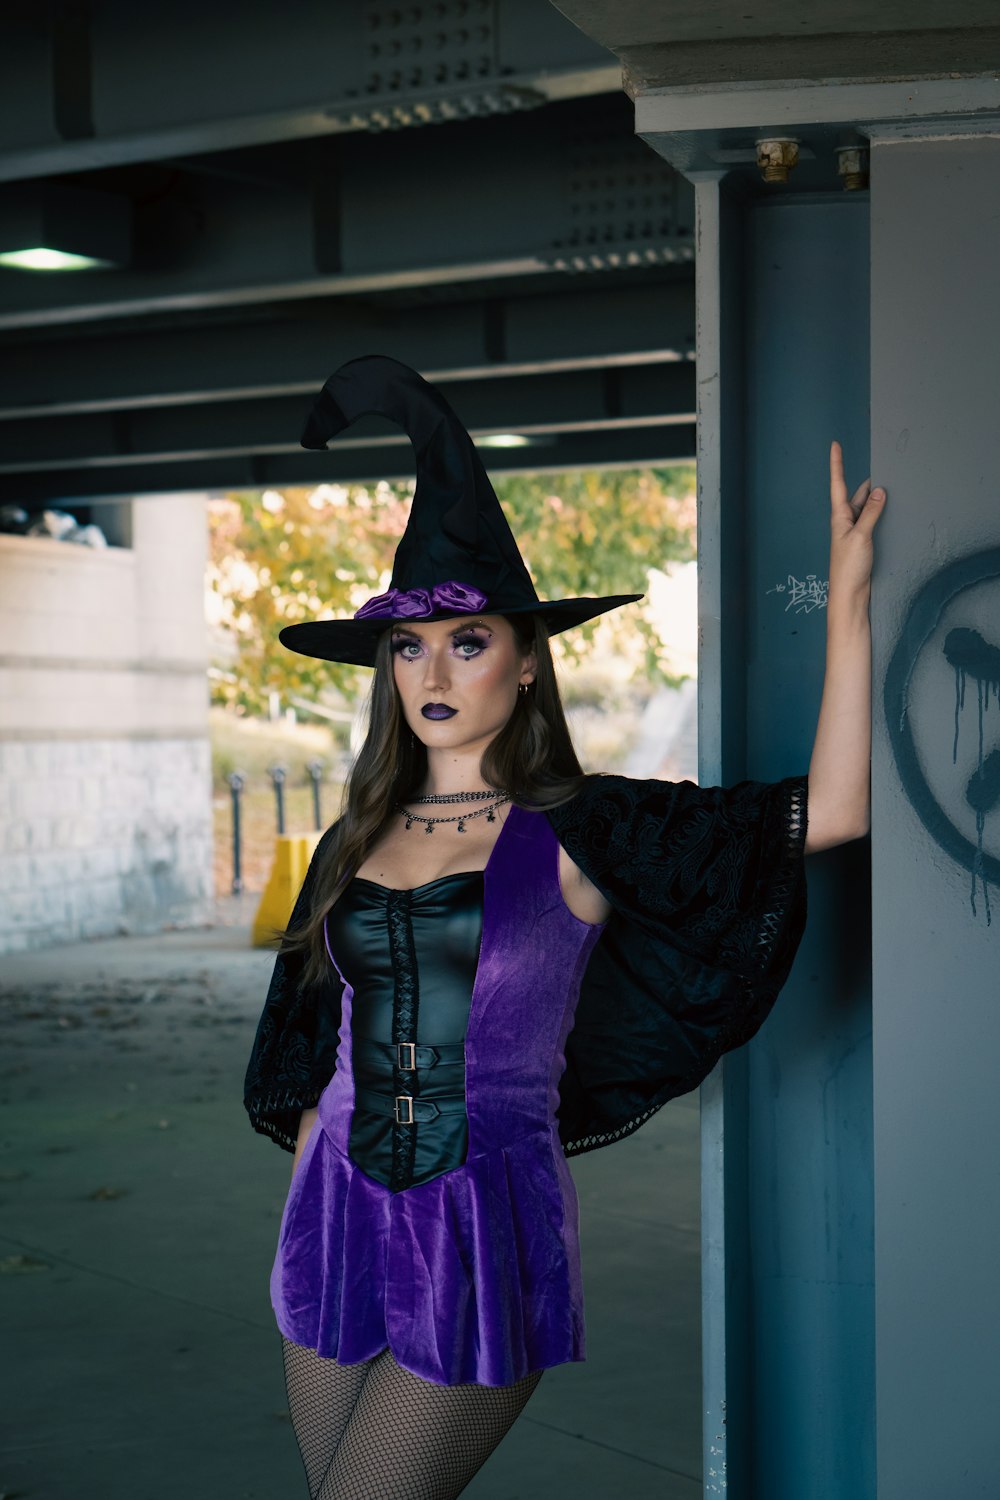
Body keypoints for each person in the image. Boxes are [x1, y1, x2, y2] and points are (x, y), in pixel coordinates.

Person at [243, 355, 886, 1500]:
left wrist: (845, 604)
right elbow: (309, 1050)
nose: (432, 669)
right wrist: (307, 1200)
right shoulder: (353, 835)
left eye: (469, 640)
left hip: (483, 1230)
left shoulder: (588, 827)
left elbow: (831, 812)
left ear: (528, 659)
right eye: (408, 646)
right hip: (331, 1221)